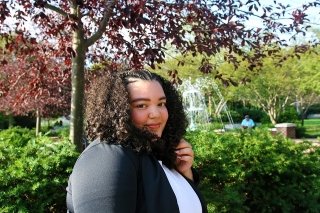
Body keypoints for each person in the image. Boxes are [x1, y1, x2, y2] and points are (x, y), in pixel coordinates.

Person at [66, 70, 207, 213]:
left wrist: (185, 175)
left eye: (161, 103)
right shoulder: (107, 156)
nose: (156, 114)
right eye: (141, 105)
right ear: (117, 110)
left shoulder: (155, 156)